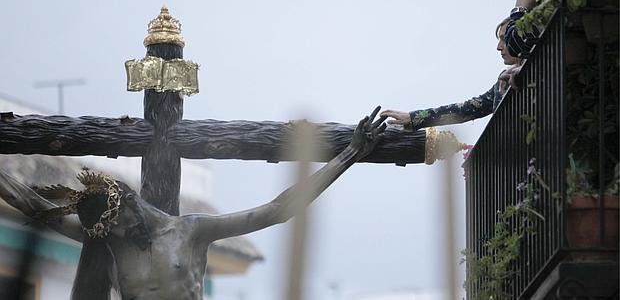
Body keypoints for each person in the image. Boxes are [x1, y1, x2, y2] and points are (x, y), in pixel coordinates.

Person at [0, 107, 387, 300]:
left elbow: (278, 210)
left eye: (117, 224)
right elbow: (33, 205)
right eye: (108, 232)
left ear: (130, 204)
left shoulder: (191, 231)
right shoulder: (107, 238)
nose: (117, 235)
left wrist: (349, 154)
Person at [380, 20, 522, 130]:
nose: (499, 47)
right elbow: (465, 110)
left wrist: (519, 10)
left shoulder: (540, 67)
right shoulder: (503, 80)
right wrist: (413, 118)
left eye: (504, 38)